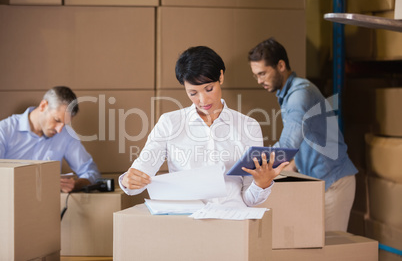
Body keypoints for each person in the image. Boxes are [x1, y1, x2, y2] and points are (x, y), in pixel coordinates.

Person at [119, 46, 288, 207]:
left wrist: (262, 184)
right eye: (193, 93)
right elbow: (140, 176)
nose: (203, 100)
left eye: (209, 89)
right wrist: (129, 180)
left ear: (220, 77)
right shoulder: (170, 123)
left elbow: (249, 200)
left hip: (232, 220)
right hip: (187, 221)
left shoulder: (248, 126)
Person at [248, 37, 358, 231]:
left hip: (334, 185)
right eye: (256, 75)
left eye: (263, 73)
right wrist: (293, 164)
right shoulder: (291, 93)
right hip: (318, 184)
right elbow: (310, 137)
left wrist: (248, 163)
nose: (259, 81)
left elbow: (288, 144)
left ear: (281, 65)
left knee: (330, 254)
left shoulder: (299, 95)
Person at [0, 86, 101, 193]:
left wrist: (74, 185)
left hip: (47, 205)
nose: (59, 130)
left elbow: (91, 172)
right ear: (43, 106)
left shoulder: (65, 135)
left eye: (65, 124)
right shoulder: (5, 131)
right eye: (57, 120)